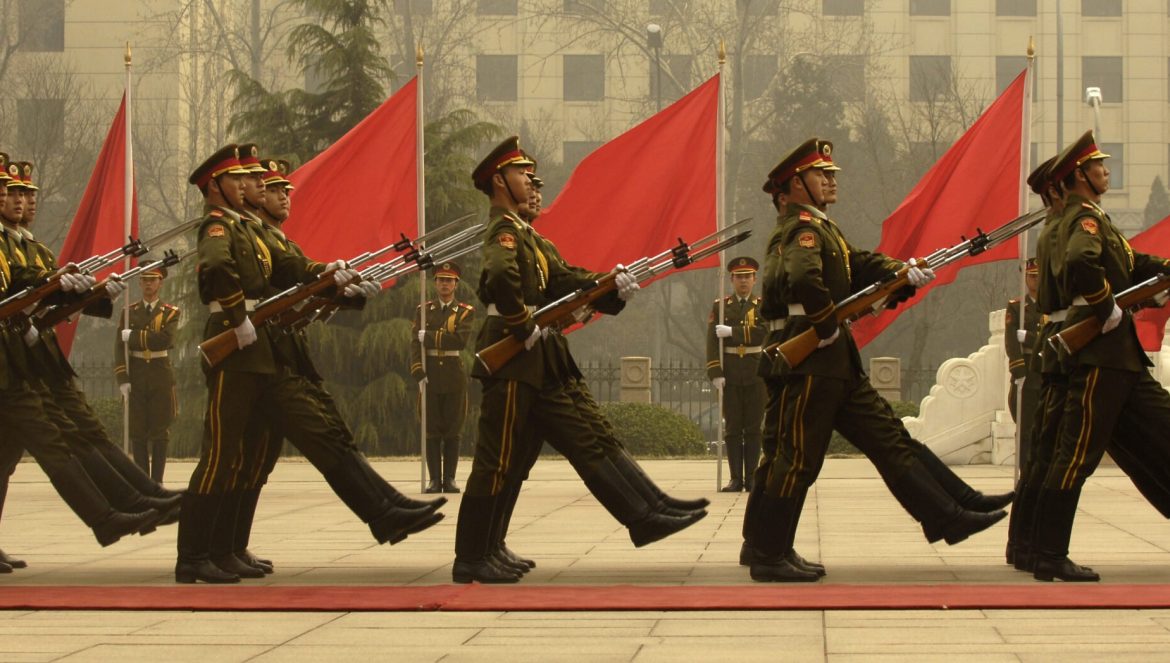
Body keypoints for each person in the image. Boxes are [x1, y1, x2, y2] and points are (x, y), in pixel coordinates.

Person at [177, 144, 441, 584]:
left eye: (249, 178)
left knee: (260, 455)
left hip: (263, 351)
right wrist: (239, 318)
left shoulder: (249, 230)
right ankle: (192, 556)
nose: (247, 185)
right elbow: (218, 269)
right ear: (215, 186)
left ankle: (227, 548)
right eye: (238, 179)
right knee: (222, 455)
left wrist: (329, 274)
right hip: (237, 347)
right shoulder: (218, 226)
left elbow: (290, 267)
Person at [746, 138, 1006, 582]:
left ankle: (952, 511)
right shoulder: (800, 230)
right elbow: (804, 278)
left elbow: (860, 265)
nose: (831, 180)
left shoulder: (824, 229)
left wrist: (902, 273)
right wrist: (825, 326)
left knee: (888, 437)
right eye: (821, 174)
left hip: (832, 360)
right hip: (811, 355)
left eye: (831, 173)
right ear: (795, 185)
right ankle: (768, 553)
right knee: (795, 457)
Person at [453, 137, 699, 584]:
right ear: (499, 181)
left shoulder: (530, 238)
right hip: (514, 354)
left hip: (537, 358)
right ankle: (471, 556)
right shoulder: (503, 231)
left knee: (532, 455)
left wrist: (611, 283)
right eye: (523, 174)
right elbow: (500, 276)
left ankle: (492, 545)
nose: (531, 182)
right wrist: (521, 323)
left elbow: (567, 279)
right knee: (497, 457)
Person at [0, 154, 158, 563]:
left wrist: (92, 293)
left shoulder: (28, 246)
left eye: (22, 194)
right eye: (10, 192)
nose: (18, 200)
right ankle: (110, 514)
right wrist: (45, 288)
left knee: (8, 457)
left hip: (25, 361)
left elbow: (43, 298)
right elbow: (17, 291)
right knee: (54, 439)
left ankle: (132, 500)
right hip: (12, 364)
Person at [1031, 131, 1170, 582]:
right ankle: (1049, 554)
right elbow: (1081, 262)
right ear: (1079, 176)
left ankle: (1037, 550)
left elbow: (1130, 263)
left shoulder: (1086, 218)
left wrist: (1162, 271)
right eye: (1098, 167)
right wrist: (1106, 305)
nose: (1106, 171)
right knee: (1076, 454)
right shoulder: (1084, 219)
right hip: (1101, 355)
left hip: (1117, 357)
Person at [411, 261, 474, 494]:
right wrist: (418, 370)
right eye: (441, 280)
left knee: (452, 429)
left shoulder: (465, 311)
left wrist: (428, 336)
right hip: (430, 374)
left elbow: (459, 341)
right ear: (435, 283)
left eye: (449, 280)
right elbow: (414, 343)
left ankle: (449, 479)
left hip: (452, 374)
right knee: (432, 430)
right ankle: (434, 480)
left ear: (456, 284)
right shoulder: (423, 310)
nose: (444, 284)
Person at [707, 257, 766, 492]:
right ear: (731, 279)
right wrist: (715, 371)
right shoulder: (721, 306)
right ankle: (735, 479)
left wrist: (733, 331)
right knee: (732, 428)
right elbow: (712, 341)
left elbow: (763, 333)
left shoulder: (762, 305)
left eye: (747, 276)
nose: (743, 281)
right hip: (730, 372)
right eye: (739, 277)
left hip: (756, 372)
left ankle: (751, 478)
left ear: (754, 279)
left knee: (753, 428)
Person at [115, 266, 180, 483]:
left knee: (160, 431)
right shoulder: (128, 312)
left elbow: (165, 340)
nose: (149, 284)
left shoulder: (171, 312)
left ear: (160, 283)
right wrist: (122, 378)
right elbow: (118, 347)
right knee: (138, 431)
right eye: (145, 280)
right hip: (136, 373)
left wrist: (134, 336)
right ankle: (143, 481)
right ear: (140, 283)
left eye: (153, 279)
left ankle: (157, 481)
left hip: (160, 374)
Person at [1004, 258, 1043, 453]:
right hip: (1027, 371)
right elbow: (1011, 341)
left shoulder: (1053, 306)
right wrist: (1018, 371)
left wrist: (1029, 338)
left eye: (1038, 276)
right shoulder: (1016, 307)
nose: (1035, 280)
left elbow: (1053, 338)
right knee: (1025, 428)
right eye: (1031, 276)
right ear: (1026, 279)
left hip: (1046, 369)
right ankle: (1025, 469)